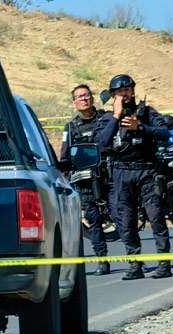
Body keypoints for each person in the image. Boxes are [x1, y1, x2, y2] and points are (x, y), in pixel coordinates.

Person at [95, 74, 172, 280]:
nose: (124, 94)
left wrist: (141, 127)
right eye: (119, 92)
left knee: (155, 216)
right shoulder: (107, 118)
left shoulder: (146, 112)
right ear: (113, 96)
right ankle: (134, 264)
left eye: (127, 90)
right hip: (121, 173)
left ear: (133, 91)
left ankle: (164, 263)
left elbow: (165, 133)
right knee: (125, 221)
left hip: (147, 171)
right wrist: (116, 116)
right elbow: (101, 142)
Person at [60, 84, 111, 275]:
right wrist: (69, 180)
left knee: (123, 218)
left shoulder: (105, 118)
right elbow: (65, 158)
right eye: (79, 97)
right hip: (86, 181)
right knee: (94, 220)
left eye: (86, 95)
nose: (84, 99)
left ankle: (135, 260)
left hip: (109, 176)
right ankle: (102, 260)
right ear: (74, 102)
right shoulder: (70, 128)